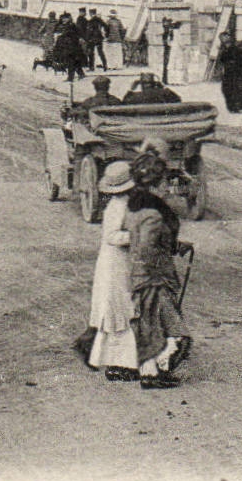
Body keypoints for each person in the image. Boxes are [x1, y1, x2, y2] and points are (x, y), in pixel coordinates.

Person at [124, 149, 192, 390]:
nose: (168, 188)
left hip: (145, 279)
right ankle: (155, 371)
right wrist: (158, 274)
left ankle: (151, 373)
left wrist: (174, 246)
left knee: (153, 326)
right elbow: (146, 249)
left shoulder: (137, 208)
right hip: (154, 280)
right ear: (153, 184)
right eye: (164, 182)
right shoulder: (153, 214)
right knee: (174, 333)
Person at [86, 161, 140, 381]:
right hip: (113, 265)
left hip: (120, 263)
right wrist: (138, 237)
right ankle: (118, 364)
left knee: (122, 310)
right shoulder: (117, 207)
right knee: (119, 310)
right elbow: (112, 236)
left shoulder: (125, 204)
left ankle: (123, 362)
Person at [215, 32, 242, 114]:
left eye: (225, 38)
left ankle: (237, 107)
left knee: (233, 89)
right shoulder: (227, 49)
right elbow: (222, 60)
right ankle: (237, 107)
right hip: (231, 72)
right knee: (231, 89)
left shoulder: (233, 49)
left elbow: (224, 60)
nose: (223, 40)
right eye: (222, 38)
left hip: (234, 72)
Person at [53, 15, 86, 83]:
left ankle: (71, 77)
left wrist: (61, 35)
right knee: (73, 61)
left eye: (66, 18)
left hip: (72, 47)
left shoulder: (72, 26)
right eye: (62, 19)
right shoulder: (63, 26)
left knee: (70, 61)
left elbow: (75, 34)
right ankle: (81, 74)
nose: (64, 20)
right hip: (67, 46)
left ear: (69, 19)